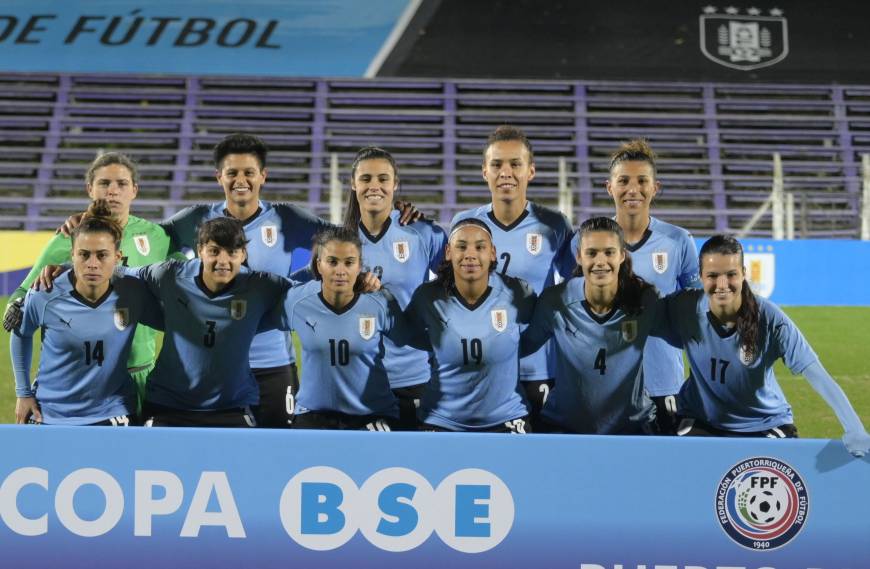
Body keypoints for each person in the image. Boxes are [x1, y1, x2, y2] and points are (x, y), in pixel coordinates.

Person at [157, 134, 422, 428]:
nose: (240, 180)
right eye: (232, 173)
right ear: (219, 176)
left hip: (272, 363)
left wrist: (394, 215)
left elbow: (344, 239)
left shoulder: (284, 217)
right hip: (217, 366)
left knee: (280, 455)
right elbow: (147, 238)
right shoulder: (196, 218)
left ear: (263, 176)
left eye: (249, 172)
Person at [668, 235, 870, 457]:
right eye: (713, 276)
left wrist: (855, 429)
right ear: (701, 276)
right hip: (702, 422)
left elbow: (815, 373)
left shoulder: (770, 318)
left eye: (731, 274)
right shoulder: (684, 307)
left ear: (744, 273)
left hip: (763, 424)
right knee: (680, 471)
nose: (722, 284)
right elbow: (639, 326)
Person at [3, 153, 173, 412]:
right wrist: (15, 305)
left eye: (121, 184)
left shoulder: (158, 236)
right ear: (90, 188)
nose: (112, 191)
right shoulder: (67, 239)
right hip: (82, 376)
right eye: (104, 183)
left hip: (141, 373)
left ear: (134, 191)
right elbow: (25, 291)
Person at [451, 125, 574, 428]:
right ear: (484, 171)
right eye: (497, 164)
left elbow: (573, 288)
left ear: (530, 171)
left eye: (515, 164)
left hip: (538, 367)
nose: (506, 172)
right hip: (479, 367)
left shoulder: (553, 223)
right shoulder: (465, 224)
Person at [577, 138, 701, 433]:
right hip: (603, 383)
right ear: (610, 187)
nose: (633, 189)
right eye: (624, 181)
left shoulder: (678, 241)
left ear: (655, 187)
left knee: (663, 474)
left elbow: (697, 312)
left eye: (642, 181)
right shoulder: (587, 241)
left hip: (662, 382)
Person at [131, 217, 290, 427]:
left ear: (243, 254)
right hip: (168, 405)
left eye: (232, 252)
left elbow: (306, 293)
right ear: (200, 250)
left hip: (230, 408)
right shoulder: (170, 274)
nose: (222, 261)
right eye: (214, 251)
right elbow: (122, 274)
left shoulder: (261, 285)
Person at [521, 217, 666, 434]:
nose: (600, 261)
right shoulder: (555, 300)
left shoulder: (645, 299)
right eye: (591, 253)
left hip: (632, 427)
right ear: (579, 256)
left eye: (609, 252)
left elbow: (689, 335)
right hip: (563, 428)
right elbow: (520, 347)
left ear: (622, 256)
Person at [343, 146, 446, 428]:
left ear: (395, 184)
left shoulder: (425, 234)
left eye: (382, 179)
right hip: (358, 381)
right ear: (353, 184)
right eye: (365, 179)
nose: (374, 186)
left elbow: (457, 285)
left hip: (414, 378)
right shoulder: (338, 242)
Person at [403, 218, 535, 432]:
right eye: (461, 247)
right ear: (448, 252)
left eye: (480, 247)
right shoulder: (428, 297)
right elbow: (405, 334)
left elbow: (538, 332)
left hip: (506, 419)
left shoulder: (518, 293)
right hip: (441, 420)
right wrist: (437, 344)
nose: (470, 255)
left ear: (492, 252)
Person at [275, 227, 405, 431]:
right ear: (319, 265)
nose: (340, 271)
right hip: (312, 415)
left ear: (360, 266)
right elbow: (255, 322)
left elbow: (415, 338)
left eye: (349, 263)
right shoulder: (296, 301)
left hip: (371, 416)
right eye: (332, 262)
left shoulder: (380, 302)